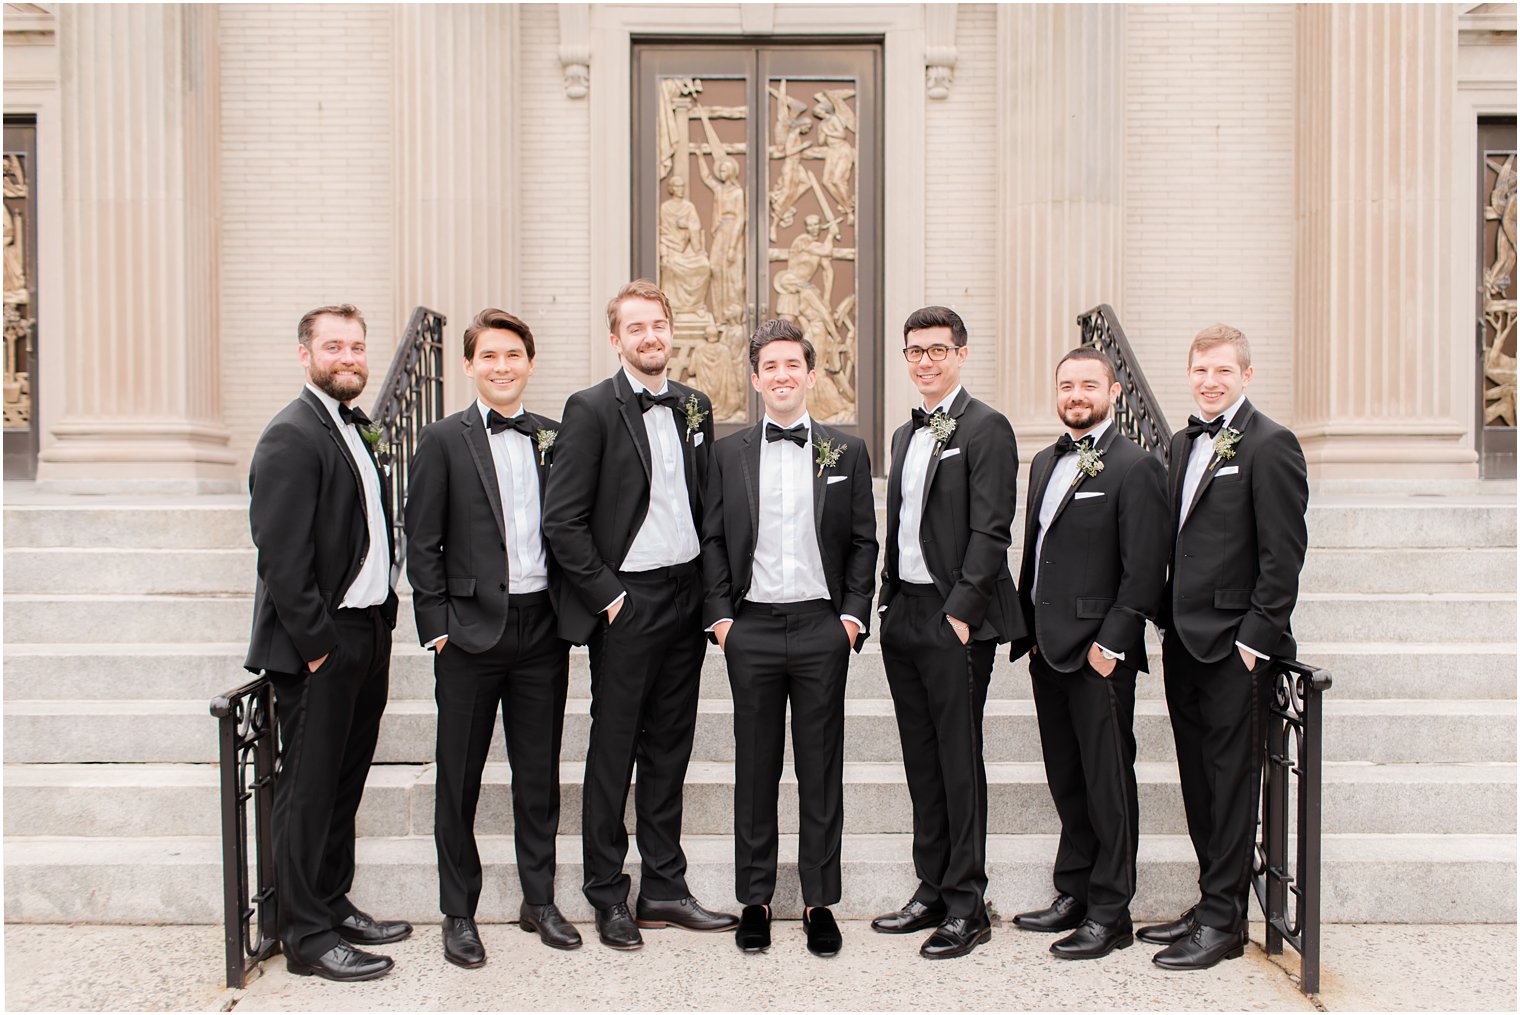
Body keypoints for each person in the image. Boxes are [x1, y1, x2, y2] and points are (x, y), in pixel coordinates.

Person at [541, 279, 738, 949]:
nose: (650, 336)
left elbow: (708, 507)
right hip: (627, 602)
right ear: (616, 338)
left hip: (685, 599)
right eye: (636, 327)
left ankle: (665, 886)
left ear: (670, 330)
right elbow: (561, 521)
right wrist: (610, 595)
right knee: (615, 747)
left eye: (658, 324)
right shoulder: (590, 408)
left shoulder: (696, 406)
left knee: (670, 748)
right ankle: (607, 892)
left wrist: (713, 599)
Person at [404, 309, 578, 968]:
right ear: (470, 366)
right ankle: (459, 911)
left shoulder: (556, 437)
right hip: (469, 636)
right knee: (460, 778)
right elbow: (422, 542)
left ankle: (540, 899)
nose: (502, 366)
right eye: (490, 356)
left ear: (529, 363)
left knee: (538, 775)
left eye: (513, 355)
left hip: (542, 630)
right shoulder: (443, 440)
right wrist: (438, 631)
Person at [700, 319, 877, 957]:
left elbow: (863, 541)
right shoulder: (728, 453)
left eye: (792, 365)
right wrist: (721, 620)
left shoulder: (846, 452)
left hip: (819, 628)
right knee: (755, 766)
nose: (781, 376)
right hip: (749, 628)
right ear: (754, 378)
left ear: (810, 373)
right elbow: (713, 538)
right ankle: (755, 898)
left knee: (820, 765)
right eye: (769, 366)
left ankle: (818, 899)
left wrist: (852, 619)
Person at [244, 304, 410, 982]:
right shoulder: (290, 434)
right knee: (308, 791)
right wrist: (317, 646)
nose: (349, 356)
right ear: (305, 353)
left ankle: (331, 898)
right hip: (323, 641)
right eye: (334, 345)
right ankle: (306, 933)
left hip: (367, 630)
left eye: (357, 346)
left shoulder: (354, 427)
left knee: (344, 782)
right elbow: (281, 556)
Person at [1140, 324, 1308, 970]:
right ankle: (1215, 898)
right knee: (1198, 781)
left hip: (1236, 648)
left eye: (1222, 371)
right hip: (1183, 643)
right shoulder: (1182, 444)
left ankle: (1224, 923)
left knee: (1233, 783)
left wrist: (1253, 643)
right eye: (1200, 371)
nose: (1210, 381)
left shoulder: (1272, 446)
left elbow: (1282, 557)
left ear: (1246, 374)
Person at [872, 305, 1024, 959]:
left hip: (954, 617)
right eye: (915, 351)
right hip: (902, 613)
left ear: (961, 353)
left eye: (938, 349)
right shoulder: (906, 436)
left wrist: (961, 611)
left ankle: (967, 903)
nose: (925, 360)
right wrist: (885, 604)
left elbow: (992, 530)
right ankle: (931, 886)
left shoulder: (988, 428)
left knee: (958, 762)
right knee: (921, 759)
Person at [1007, 347, 1169, 960]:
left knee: (1107, 780)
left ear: (1114, 393)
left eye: (1089, 385)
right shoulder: (1046, 460)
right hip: (1047, 649)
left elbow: (1145, 568)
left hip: (1099, 652)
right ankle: (1073, 888)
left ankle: (1110, 909)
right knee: (1066, 776)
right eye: (1067, 385)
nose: (1077, 395)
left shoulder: (1136, 466)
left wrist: (1112, 644)